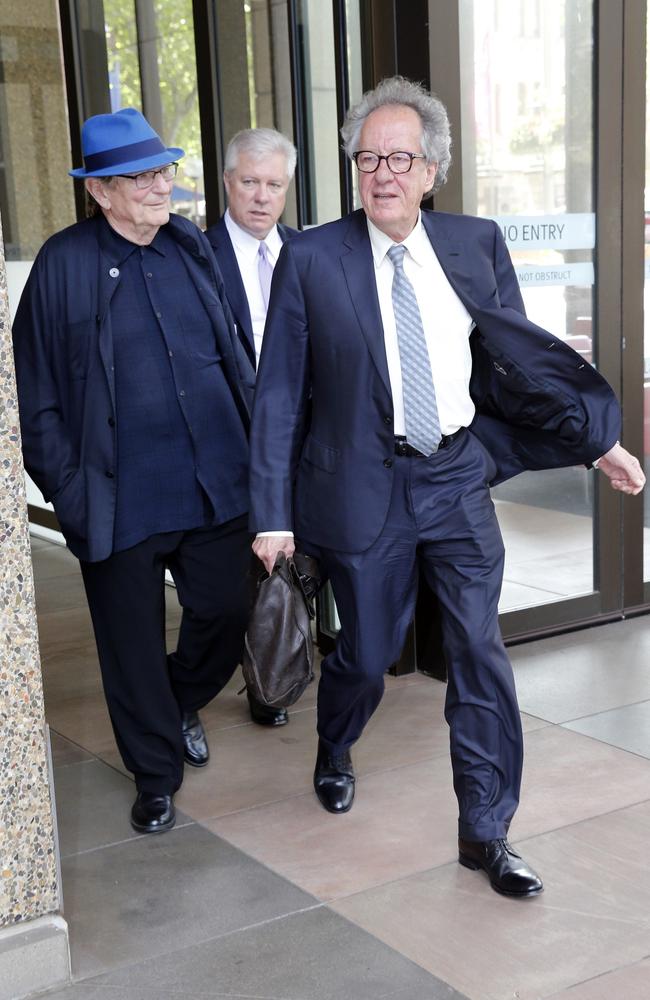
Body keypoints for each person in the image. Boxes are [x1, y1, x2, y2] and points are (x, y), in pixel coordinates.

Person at [248, 77, 645, 897]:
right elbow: (280, 392)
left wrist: (595, 441)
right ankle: (335, 742)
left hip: (456, 476)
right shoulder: (313, 257)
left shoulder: (474, 243)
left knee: (478, 653)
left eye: (400, 158)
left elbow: (520, 363)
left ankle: (488, 830)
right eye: (367, 158)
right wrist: (271, 514)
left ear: (433, 170)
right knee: (364, 655)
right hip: (362, 485)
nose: (382, 173)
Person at [12, 108, 255, 835]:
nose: (158, 187)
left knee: (225, 610)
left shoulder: (189, 244)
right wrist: (67, 483)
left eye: (162, 171)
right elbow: (31, 391)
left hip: (216, 480)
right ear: (100, 193)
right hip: (117, 495)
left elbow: (235, 352)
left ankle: (177, 700)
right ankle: (155, 775)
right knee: (130, 645)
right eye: (138, 177)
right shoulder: (64, 262)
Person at [206, 127, 298, 727]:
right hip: (224, 441)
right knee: (225, 586)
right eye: (250, 183)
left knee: (289, 567)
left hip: (296, 438)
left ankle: (274, 677)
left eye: (274, 185)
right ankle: (208, 683)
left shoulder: (308, 253)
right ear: (227, 183)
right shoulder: (195, 255)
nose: (262, 197)